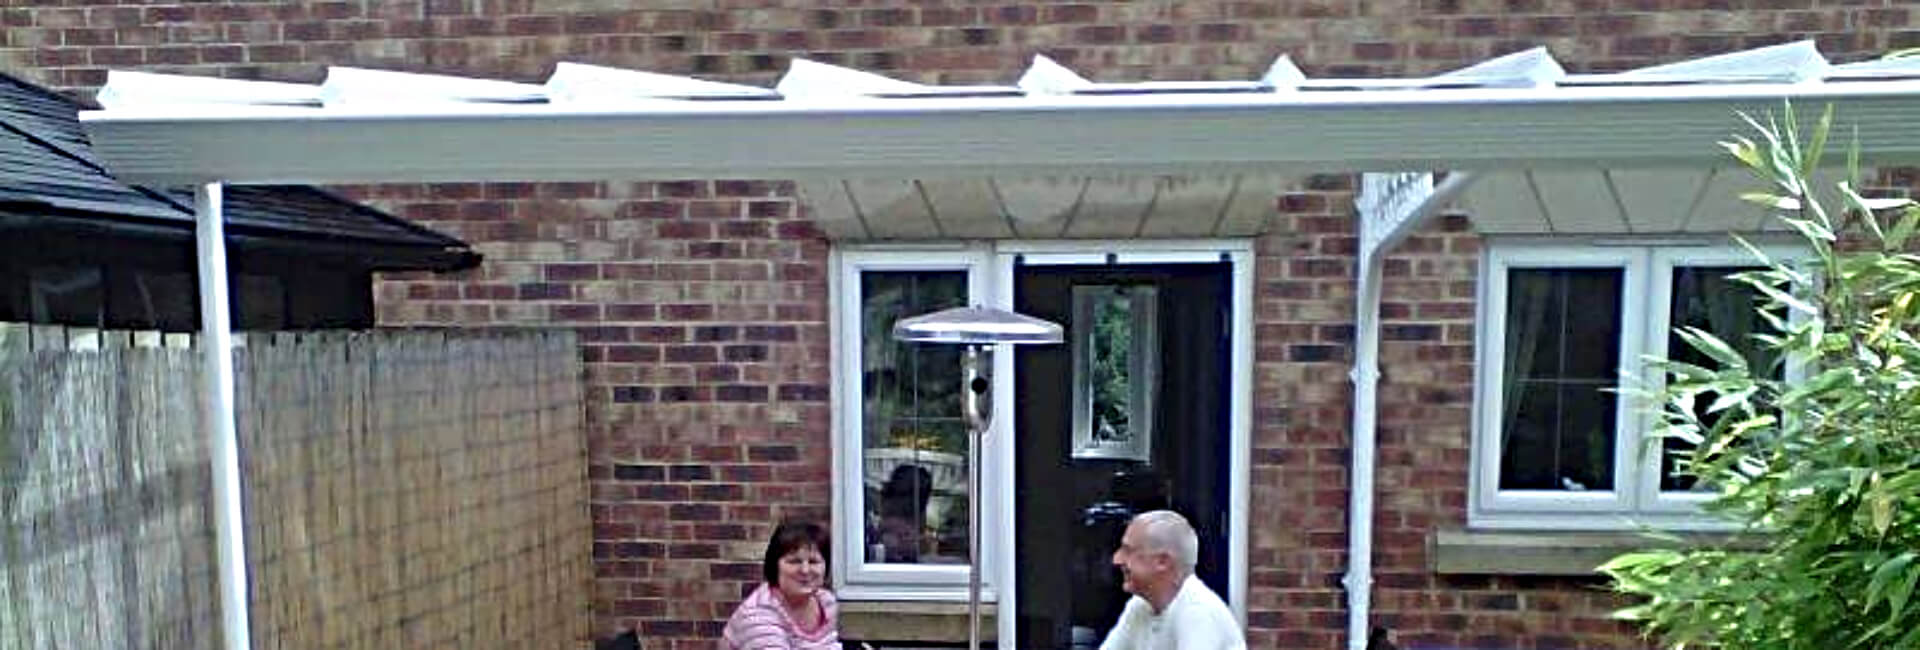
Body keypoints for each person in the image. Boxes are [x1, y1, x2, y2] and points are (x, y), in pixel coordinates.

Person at [1100, 510, 1245, 650]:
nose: (1116, 560)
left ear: (1162, 562)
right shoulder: (1139, 606)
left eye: (1128, 551)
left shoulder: (1199, 612)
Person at [722, 521, 841, 650]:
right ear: (775, 566)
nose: (805, 570)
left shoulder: (825, 602)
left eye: (813, 562)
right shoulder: (758, 615)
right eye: (794, 561)